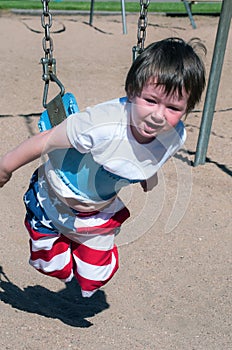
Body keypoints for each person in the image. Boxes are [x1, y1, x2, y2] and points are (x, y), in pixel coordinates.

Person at [0, 37, 206, 297]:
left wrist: (146, 177)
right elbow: (47, 139)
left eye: (174, 107)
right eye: (150, 101)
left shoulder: (174, 135)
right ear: (132, 91)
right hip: (54, 197)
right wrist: (5, 167)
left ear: (188, 108)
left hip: (98, 210)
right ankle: (57, 242)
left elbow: (153, 156)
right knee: (52, 265)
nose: (158, 115)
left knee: (94, 278)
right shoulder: (100, 125)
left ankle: (79, 245)